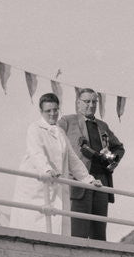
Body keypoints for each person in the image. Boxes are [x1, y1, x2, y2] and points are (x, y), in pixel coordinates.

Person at [11, 93, 99, 234]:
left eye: (55, 110)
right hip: (35, 189)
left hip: (55, 187)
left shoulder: (60, 133)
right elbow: (36, 153)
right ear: (41, 112)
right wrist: (46, 170)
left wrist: (89, 180)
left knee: (54, 226)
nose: (53, 114)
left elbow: (73, 159)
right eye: (48, 111)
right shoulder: (35, 129)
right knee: (33, 226)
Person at [58, 87, 125, 241]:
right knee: (78, 232)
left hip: (101, 181)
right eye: (87, 101)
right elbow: (53, 135)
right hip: (79, 182)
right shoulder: (67, 121)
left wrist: (112, 160)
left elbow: (119, 148)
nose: (91, 105)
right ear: (78, 103)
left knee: (99, 233)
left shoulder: (102, 125)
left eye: (94, 102)